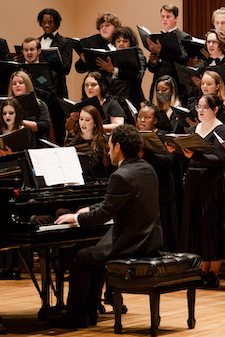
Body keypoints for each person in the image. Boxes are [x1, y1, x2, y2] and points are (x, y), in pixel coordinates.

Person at [52, 125, 163, 328]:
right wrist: (86, 209)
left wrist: (75, 219)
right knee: (94, 253)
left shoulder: (120, 175)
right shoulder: (146, 168)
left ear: (118, 147)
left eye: (110, 146)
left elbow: (104, 214)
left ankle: (76, 316)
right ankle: (90, 312)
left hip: (131, 244)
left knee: (80, 258)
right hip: (149, 239)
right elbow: (111, 204)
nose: (109, 150)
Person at [178, 94, 225, 288]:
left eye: (205, 107)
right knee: (197, 224)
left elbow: (220, 159)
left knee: (211, 225)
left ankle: (214, 271)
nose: (201, 110)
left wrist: (194, 155)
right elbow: (190, 157)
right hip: (195, 181)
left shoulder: (222, 129)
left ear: (215, 109)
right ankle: (202, 269)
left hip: (213, 182)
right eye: (199, 107)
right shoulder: (194, 129)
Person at [136, 103, 180, 251]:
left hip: (163, 191)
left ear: (155, 120)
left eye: (147, 117)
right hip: (142, 192)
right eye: (140, 117)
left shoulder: (163, 136)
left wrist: (145, 154)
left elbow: (169, 161)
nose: (142, 120)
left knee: (165, 233)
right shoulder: (134, 136)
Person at [146, 3, 191, 102]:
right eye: (162, 17)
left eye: (168, 17)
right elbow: (151, 69)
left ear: (176, 18)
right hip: (158, 85)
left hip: (176, 86)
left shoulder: (184, 37)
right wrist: (153, 62)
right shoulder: (157, 37)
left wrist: (161, 52)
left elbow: (183, 59)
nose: (164, 19)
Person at [65, 105, 111, 180]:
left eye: (87, 120)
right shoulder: (72, 137)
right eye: (81, 119)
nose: (83, 123)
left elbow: (105, 167)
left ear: (95, 123)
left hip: (96, 182)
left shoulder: (102, 140)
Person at [37, 8, 74, 98]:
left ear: (56, 24)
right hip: (39, 84)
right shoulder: (36, 41)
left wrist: (51, 60)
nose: (46, 25)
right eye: (43, 22)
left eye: (50, 22)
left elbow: (66, 69)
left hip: (57, 89)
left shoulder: (65, 42)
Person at [8, 71, 52, 141]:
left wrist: (20, 122)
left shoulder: (39, 104)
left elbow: (45, 126)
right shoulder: (7, 106)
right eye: (14, 84)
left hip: (35, 143)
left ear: (27, 85)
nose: (17, 85)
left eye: (21, 83)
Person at [200, 29, 225, 100]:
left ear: (221, 44)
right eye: (208, 42)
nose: (210, 45)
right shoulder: (200, 66)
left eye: (214, 42)